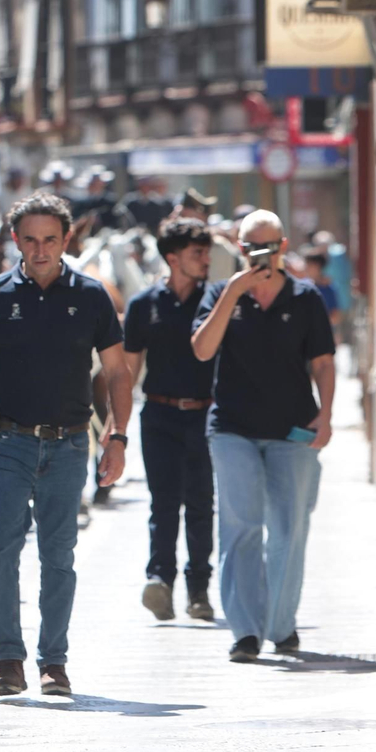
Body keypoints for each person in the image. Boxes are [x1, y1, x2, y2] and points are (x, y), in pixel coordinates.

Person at [0, 194, 132, 698]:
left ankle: (54, 662)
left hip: (71, 446)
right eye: (31, 239)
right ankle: (8, 660)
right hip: (7, 441)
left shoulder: (92, 297)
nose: (40, 249)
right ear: (16, 241)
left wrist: (116, 437)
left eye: (50, 239)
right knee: (0, 550)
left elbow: (117, 372)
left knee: (59, 557)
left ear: (66, 240)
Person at [190, 209, 336, 662]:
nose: (262, 255)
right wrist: (234, 291)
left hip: (292, 430)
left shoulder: (305, 297)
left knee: (289, 530)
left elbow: (324, 363)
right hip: (233, 429)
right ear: (239, 246)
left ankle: (281, 624)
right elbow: (201, 350)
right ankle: (245, 632)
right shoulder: (220, 294)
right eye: (252, 247)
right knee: (240, 527)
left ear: (283, 246)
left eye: (270, 246)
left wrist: (326, 416)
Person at [123, 218, 217, 623]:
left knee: (200, 505)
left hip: (206, 415)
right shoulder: (144, 305)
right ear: (173, 258)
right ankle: (160, 579)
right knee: (162, 504)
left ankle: (199, 591)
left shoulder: (216, 301)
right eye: (198, 253)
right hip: (158, 414)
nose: (206, 260)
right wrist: (115, 426)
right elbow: (127, 371)